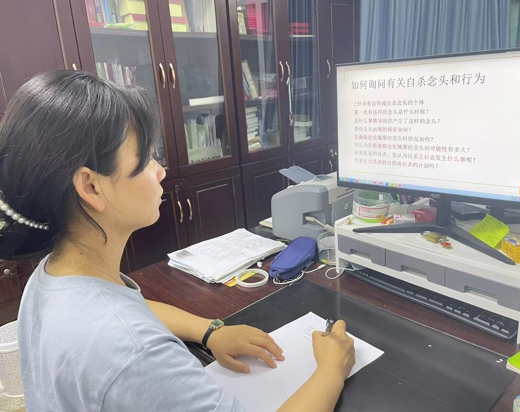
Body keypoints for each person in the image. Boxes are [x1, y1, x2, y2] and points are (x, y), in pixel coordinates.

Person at [0, 71, 356, 411]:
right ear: (91, 187)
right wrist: (331, 369)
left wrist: (210, 331)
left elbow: (132, 312)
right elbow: (127, 336)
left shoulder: (50, 277)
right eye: (146, 158)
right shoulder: (135, 352)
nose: (160, 171)